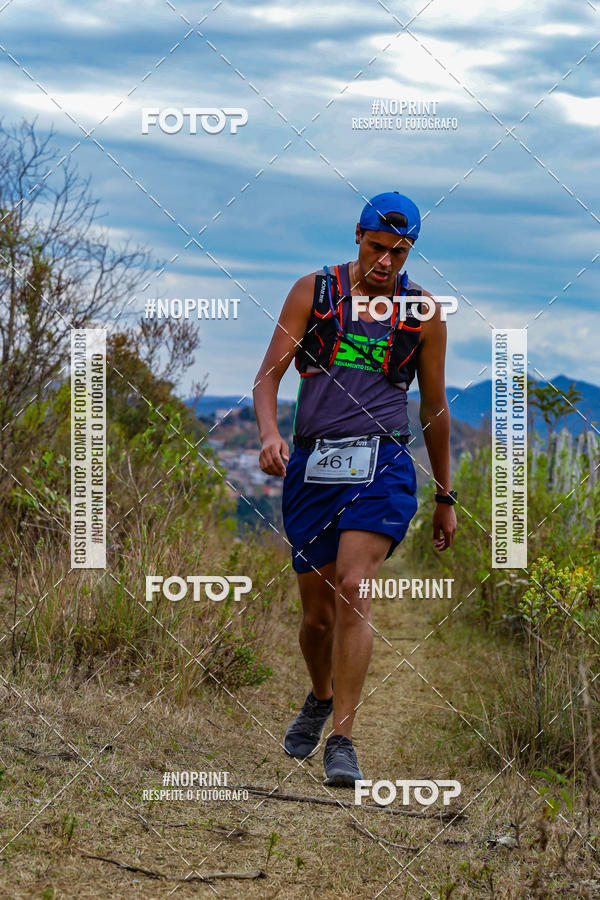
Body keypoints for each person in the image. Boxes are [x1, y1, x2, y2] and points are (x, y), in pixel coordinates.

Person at [253, 191, 457, 787]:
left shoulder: (422, 312)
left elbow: (435, 409)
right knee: (316, 618)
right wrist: (269, 433)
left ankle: (342, 737)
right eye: (377, 248)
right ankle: (319, 695)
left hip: (385, 464)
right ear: (357, 235)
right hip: (313, 465)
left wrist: (445, 496)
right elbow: (269, 377)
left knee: (353, 587)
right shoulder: (313, 293)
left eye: (400, 252)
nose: (387, 262)